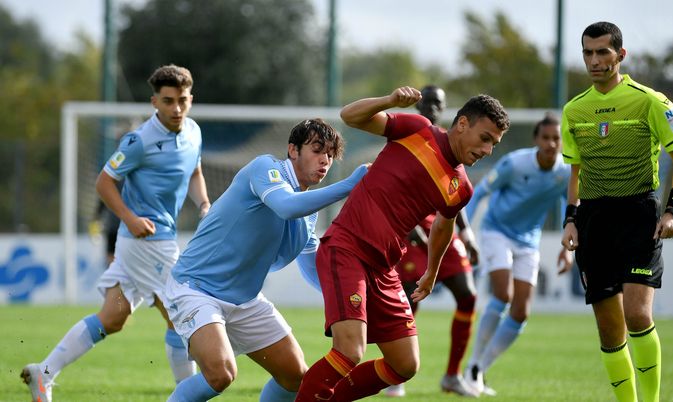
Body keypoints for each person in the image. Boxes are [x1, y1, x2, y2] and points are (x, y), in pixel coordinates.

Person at [295, 86, 509, 401]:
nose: (487, 150)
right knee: (349, 350)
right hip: (347, 248)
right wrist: (389, 101)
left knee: (404, 364)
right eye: (485, 138)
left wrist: (432, 271)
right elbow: (349, 116)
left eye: (494, 143)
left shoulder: (461, 187)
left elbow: (443, 226)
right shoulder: (418, 130)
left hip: (385, 268)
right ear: (462, 124)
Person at [21, 64, 211, 402]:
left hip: (146, 244)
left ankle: (43, 373)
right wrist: (130, 216)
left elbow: (195, 171)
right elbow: (104, 182)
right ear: (155, 102)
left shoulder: (194, 132)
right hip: (147, 243)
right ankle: (187, 397)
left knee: (113, 316)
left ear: (191, 98)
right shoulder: (140, 140)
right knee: (181, 317)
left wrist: (205, 204)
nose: (176, 109)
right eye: (168, 101)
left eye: (182, 100)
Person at [165, 119, 369, 402]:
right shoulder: (266, 168)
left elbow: (312, 269)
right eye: (317, 149)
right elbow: (285, 206)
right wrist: (349, 185)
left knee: (295, 378)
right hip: (196, 288)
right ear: (293, 150)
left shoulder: (309, 211)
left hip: (245, 300)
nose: (325, 160)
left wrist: (348, 298)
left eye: (331, 155)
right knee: (221, 373)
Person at [560, 22, 673, 402]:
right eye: (588, 52)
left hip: (638, 215)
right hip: (593, 220)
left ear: (621, 55)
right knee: (609, 329)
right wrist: (570, 219)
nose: (595, 60)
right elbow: (576, 172)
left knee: (637, 314)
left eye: (603, 52)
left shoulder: (650, 100)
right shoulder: (574, 110)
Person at [462, 113, 573, 396]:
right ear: (536, 139)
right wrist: (465, 234)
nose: (551, 143)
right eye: (546, 138)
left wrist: (566, 247)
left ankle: (479, 369)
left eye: (556, 138)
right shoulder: (515, 163)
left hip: (528, 242)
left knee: (521, 312)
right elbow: (479, 193)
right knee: (503, 295)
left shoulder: (565, 172)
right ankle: (472, 365)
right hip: (496, 231)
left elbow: (569, 206)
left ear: (562, 142)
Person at [383, 85, 480, 398]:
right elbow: (390, 185)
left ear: (444, 108)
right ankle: (398, 372)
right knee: (410, 303)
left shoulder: (451, 142)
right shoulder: (407, 135)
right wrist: (409, 228)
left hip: (444, 228)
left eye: (437, 103)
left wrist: (467, 234)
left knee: (468, 295)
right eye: (425, 101)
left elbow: (456, 191)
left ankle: (452, 375)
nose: (430, 107)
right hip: (409, 230)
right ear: (416, 104)